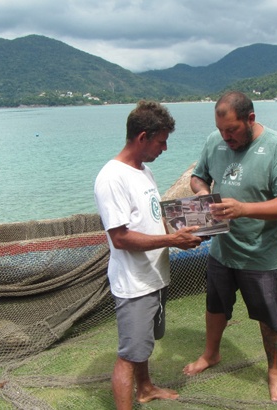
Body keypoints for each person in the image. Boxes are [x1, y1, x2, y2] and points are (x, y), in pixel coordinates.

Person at [182, 91, 277, 401]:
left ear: (250, 119)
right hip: (222, 250)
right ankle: (211, 354)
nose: (226, 137)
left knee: (270, 317)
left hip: (260, 255)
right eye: (221, 130)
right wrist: (202, 194)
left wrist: (243, 209)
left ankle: (274, 371)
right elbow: (198, 177)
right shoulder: (215, 141)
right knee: (216, 305)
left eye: (232, 130)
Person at [94, 100, 203, 409]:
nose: (165, 148)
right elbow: (121, 238)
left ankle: (145, 389)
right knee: (129, 354)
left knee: (144, 344)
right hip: (134, 283)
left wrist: (198, 223)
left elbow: (155, 215)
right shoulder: (112, 178)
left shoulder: (144, 171)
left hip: (153, 276)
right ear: (142, 137)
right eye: (161, 141)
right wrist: (173, 239)